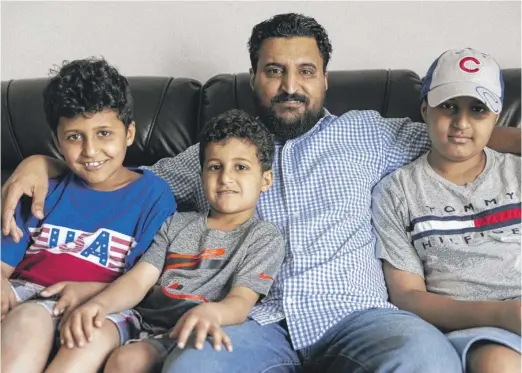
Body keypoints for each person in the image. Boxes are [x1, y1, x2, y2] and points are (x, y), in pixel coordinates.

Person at [2, 13, 521, 373]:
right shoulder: (216, 152)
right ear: (253, 78)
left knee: (424, 361)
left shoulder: (373, 134)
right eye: (274, 71)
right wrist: (39, 161)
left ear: (325, 80)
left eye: (305, 72)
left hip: (359, 315)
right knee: (196, 363)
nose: (290, 85)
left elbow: (462, 132)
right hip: (251, 319)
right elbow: (114, 170)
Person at [57, 109, 285, 373]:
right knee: (111, 351)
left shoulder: (263, 237)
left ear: (265, 179)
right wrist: (99, 304)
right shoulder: (176, 223)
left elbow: (241, 301)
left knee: (133, 361)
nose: (226, 178)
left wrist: (214, 313)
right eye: (215, 167)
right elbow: (140, 279)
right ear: (201, 176)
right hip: (146, 324)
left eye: (241, 167)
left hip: (199, 331)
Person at [0, 58, 176, 373]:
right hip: (31, 294)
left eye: (104, 133)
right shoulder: (43, 188)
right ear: (57, 142)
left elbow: (147, 281)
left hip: (107, 305)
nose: (90, 150)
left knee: (89, 337)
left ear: (130, 132)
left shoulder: (154, 195)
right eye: (74, 137)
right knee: (28, 319)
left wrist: (93, 294)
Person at [371, 48, 521, 373]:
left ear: (495, 117)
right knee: (499, 364)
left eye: (478, 109)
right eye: (448, 106)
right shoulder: (398, 191)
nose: (461, 122)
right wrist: (502, 315)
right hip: (475, 326)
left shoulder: (516, 173)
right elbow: (407, 295)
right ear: (425, 110)